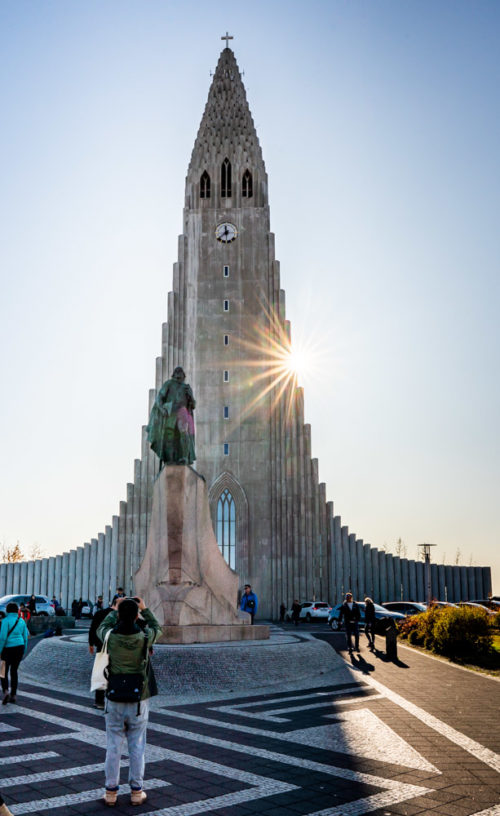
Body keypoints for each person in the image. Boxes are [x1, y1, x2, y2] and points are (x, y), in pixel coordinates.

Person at [97, 596, 161, 807]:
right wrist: (145, 608)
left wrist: (117, 608)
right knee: (137, 746)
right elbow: (157, 628)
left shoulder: (109, 636)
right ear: (136, 616)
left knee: (113, 746)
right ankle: (136, 791)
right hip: (138, 699)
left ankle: (110, 793)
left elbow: (103, 625)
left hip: (114, 697)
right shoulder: (144, 637)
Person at [146, 366, 196, 467]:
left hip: (182, 412)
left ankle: (184, 457)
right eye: (178, 374)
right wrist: (162, 409)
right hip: (171, 412)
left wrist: (190, 395)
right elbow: (159, 398)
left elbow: (193, 405)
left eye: (181, 374)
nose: (179, 376)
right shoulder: (169, 384)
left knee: (183, 432)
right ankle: (170, 459)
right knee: (170, 436)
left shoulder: (186, 388)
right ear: (174, 375)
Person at [89, 597, 118, 709]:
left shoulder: (100, 613)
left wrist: (91, 643)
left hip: (101, 647)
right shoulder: (121, 615)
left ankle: (99, 701)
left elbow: (93, 628)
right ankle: (111, 700)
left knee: (101, 673)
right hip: (115, 648)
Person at [0, 602, 29, 705]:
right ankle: (13, 694)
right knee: (14, 671)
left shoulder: (5, 621)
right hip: (19, 648)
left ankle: (5, 691)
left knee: (3, 671)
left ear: (7, 610)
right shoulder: (21, 621)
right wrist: (24, 651)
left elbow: (2, 638)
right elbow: (25, 637)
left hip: (7, 649)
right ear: (17, 610)